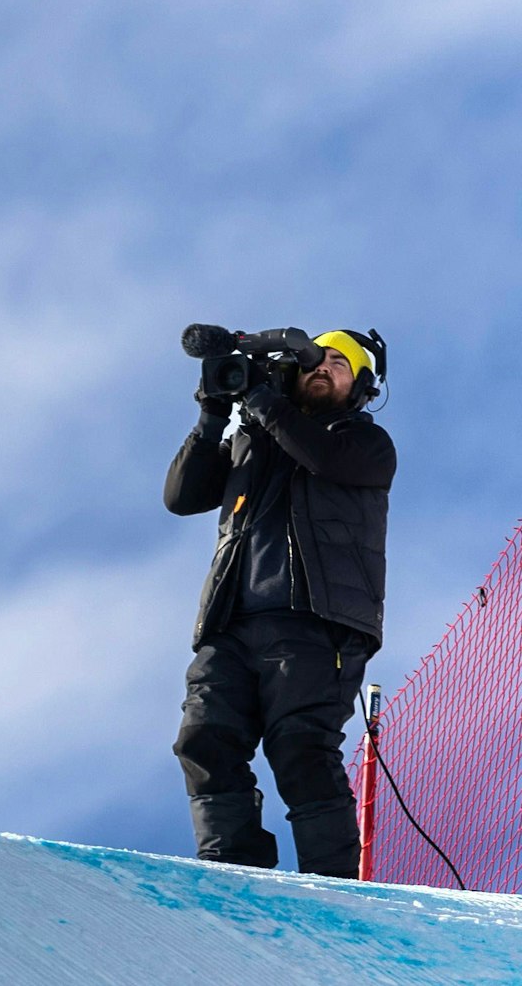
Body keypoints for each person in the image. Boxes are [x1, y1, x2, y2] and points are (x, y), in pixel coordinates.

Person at [164, 330, 395, 876]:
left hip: (316, 624)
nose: (323, 369)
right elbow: (181, 496)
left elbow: (321, 456)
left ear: (361, 386)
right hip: (231, 624)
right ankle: (232, 872)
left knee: (301, 750)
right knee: (205, 739)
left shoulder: (365, 443)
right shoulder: (256, 442)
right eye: (315, 360)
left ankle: (337, 888)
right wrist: (213, 417)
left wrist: (264, 401)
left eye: (339, 363)